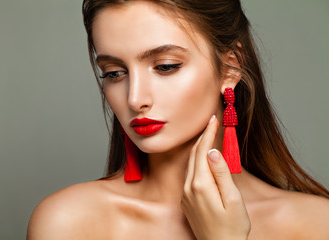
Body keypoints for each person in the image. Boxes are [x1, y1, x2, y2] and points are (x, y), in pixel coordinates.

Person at [27, 0, 329, 239]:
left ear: (230, 67)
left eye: (166, 66)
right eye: (114, 73)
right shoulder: (67, 222)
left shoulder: (316, 225)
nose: (135, 99)